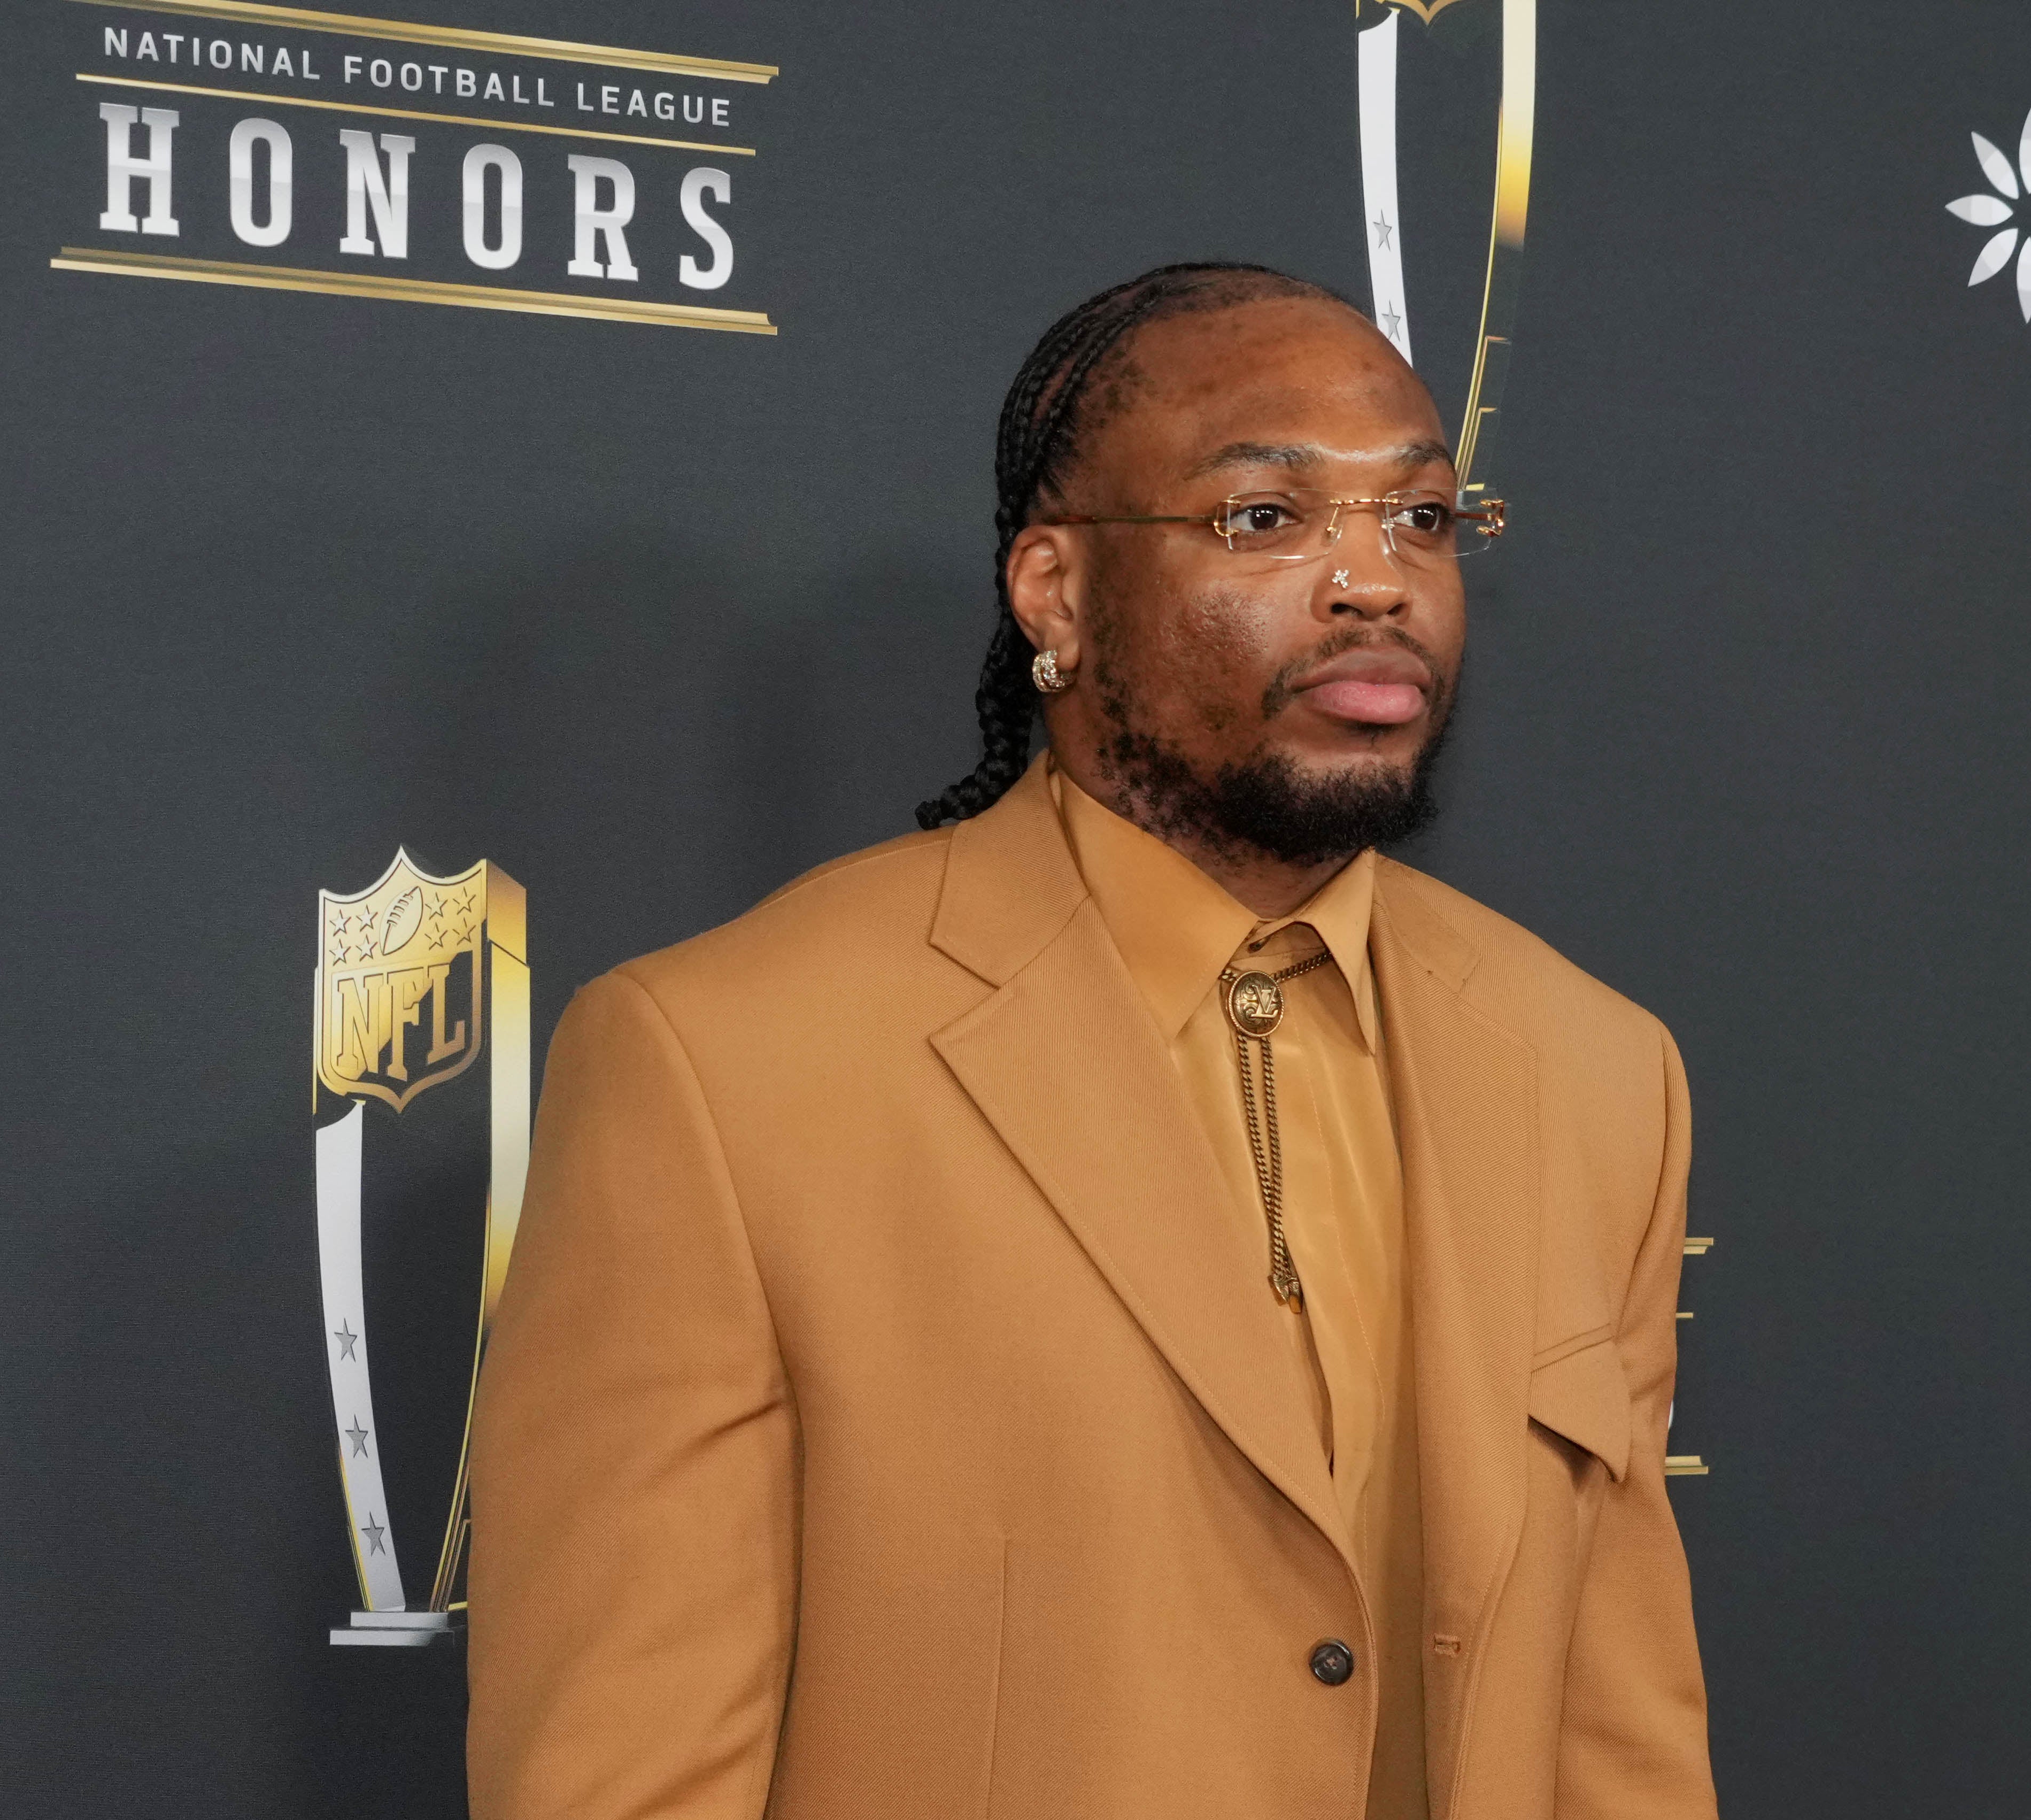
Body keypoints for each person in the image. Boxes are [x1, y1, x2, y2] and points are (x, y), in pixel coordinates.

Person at [466, 262, 1715, 1820]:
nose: (1375, 580)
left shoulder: (1596, 1067)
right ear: (1053, 592)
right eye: (1265, 519)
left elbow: (1619, 1739)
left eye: (1419, 517)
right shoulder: (722, 1066)